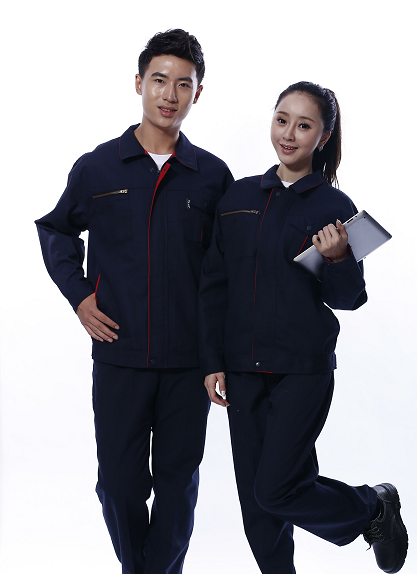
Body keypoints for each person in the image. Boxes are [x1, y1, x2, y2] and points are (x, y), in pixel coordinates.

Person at [35, 29, 233, 574]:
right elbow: (56, 230)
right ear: (139, 82)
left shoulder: (212, 176)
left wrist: (219, 355)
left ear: (198, 93)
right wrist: (79, 297)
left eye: (184, 85)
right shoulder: (98, 167)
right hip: (120, 354)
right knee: (119, 485)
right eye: (160, 81)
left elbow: (228, 270)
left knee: (177, 487)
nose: (170, 95)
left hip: (189, 363)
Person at [199, 81, 408, 574]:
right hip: (243, 369)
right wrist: (211, 361)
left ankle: (372, 508)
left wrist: (337, 258)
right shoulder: (238, 197)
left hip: (302, 370)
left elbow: (348, 299)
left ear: (323, 136)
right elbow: (214, 285)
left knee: (276, 490)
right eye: (282, 120)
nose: (289, 134)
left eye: (304, 125)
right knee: (258, 505)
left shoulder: (334, 207)